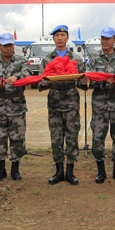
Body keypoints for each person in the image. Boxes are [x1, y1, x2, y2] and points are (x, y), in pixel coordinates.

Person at [39, 25, 86, 185]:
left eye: (63, 35)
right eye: (57, 35)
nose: (60, 38)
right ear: (53, 38)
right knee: (56, 137)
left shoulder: (76, 59)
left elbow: (83, 83)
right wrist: (44, 81)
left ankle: (70, 171)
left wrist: (84, 81)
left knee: (72, 136)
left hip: (71, 102)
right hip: (54, 103)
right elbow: (40, 83)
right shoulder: (47, 59)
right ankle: (59, 171)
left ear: (67, 38)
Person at [85, 27, 115, 184]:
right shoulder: (93, 58)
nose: (104, 41)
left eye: (108, 38)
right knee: (98, 137)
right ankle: (101, 171)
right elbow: (88, 77)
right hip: (100, 103)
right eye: (102, 38)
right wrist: (102, 79)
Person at [0, 32, 32, 181]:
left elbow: (29, 74)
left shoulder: (21, 61)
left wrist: (17, 77)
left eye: (10, 45)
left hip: (17, 106)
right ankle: (1, 170)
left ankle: (15, 169)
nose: (8, 48)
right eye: (5, 45)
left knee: (17, 138)